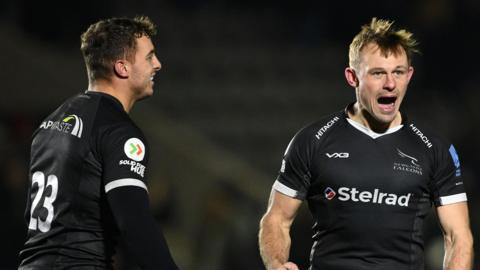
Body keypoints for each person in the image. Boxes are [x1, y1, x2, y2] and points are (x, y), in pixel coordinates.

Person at [258, 18, 474, 270]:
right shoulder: (312, 141)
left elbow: (458, 236)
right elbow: (277, 219)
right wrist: (276, 264)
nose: (390, 83)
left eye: (398, 72)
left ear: (410, 75)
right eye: (378, 73)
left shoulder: (435, 150)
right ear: (352, 77)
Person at [18, 16, 179, 269]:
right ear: (122, 67)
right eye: (149, 57)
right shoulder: (119, 132)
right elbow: (135, 223)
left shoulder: (50, 122)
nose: (157, 64)